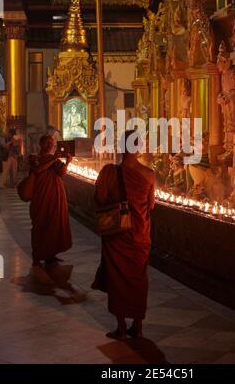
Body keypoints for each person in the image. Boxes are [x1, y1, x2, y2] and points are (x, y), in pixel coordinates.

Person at [93, 130, 155, 340]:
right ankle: (137, 326)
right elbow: (151, 205)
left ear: (120, 147)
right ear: (138, 148)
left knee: (117, 278)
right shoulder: (149, 174)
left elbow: (99, 199)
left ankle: (120, 327)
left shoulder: (109, 172)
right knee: (138, 278)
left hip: (117, 233)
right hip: (140, 233)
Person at [29, 135, 72, 268]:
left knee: (54, 224)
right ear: (41, 144)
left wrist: (68, 162)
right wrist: (54, 159)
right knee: (40, 224)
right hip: (40, 196)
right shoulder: (34, 158)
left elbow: (62, 173)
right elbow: (38, 170)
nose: (49, 146)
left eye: (52, 144)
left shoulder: (54, 160)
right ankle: (37, 256)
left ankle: (50, 255)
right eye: (47, 143)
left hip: (55, 195)